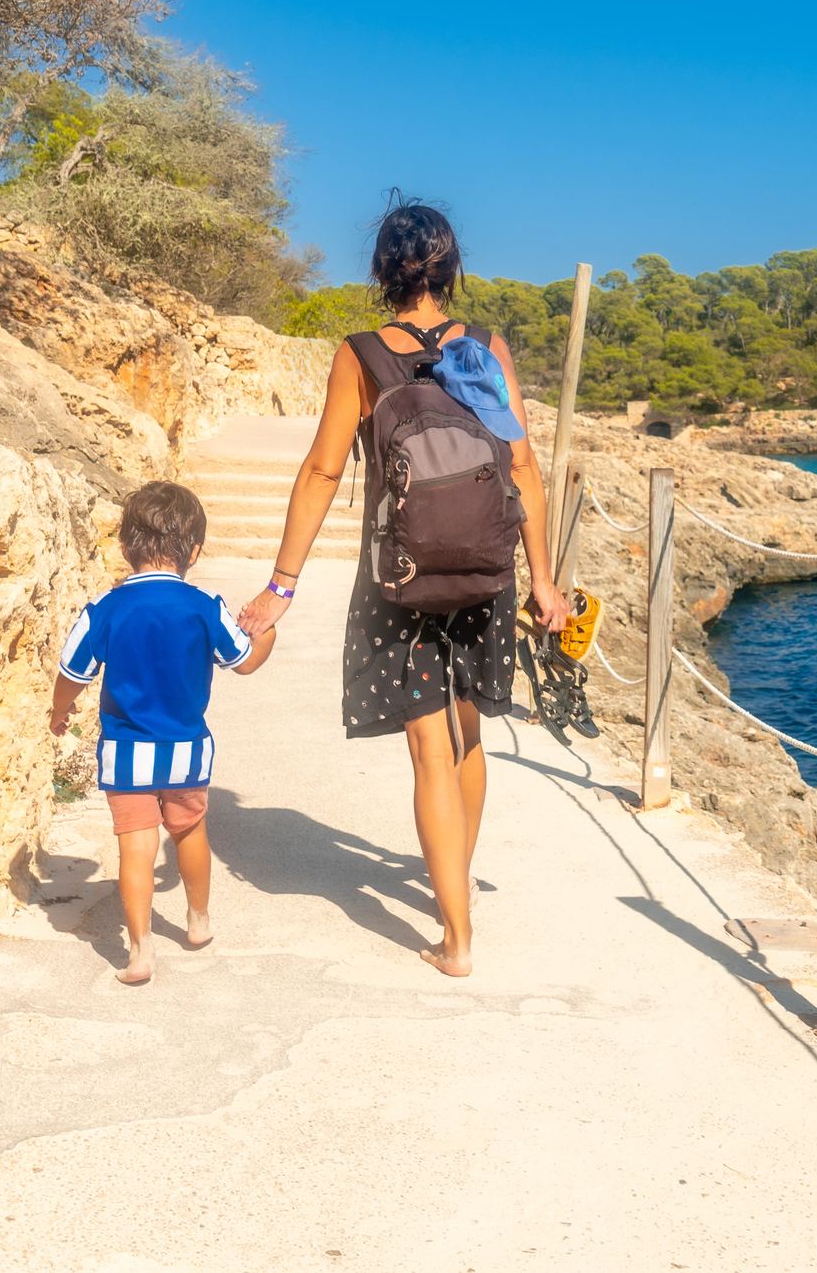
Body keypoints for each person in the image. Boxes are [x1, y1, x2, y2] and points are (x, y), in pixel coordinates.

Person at [237, 196, 569, 979]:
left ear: (382, 270)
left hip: (400, 577)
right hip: (486, 572)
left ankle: (454, 941)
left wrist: (279, 587)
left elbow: (322, 470)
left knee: (428, 752)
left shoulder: (359, 353)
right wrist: (545, 580)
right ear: (450, 269)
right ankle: (456, 890)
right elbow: (520, 466)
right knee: (469, 736)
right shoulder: (487, 347)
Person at [50, 481, 276, 985]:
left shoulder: (105, 609)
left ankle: (140, 951)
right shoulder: (204, 605)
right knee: (190, 832)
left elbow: (72, 673)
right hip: (187, 751)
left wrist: (57, 711)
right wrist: (269, 631)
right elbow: (243, 661)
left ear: (125, 547)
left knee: (135, 847)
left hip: (126, 752)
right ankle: (197, 922)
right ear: (194, 551)